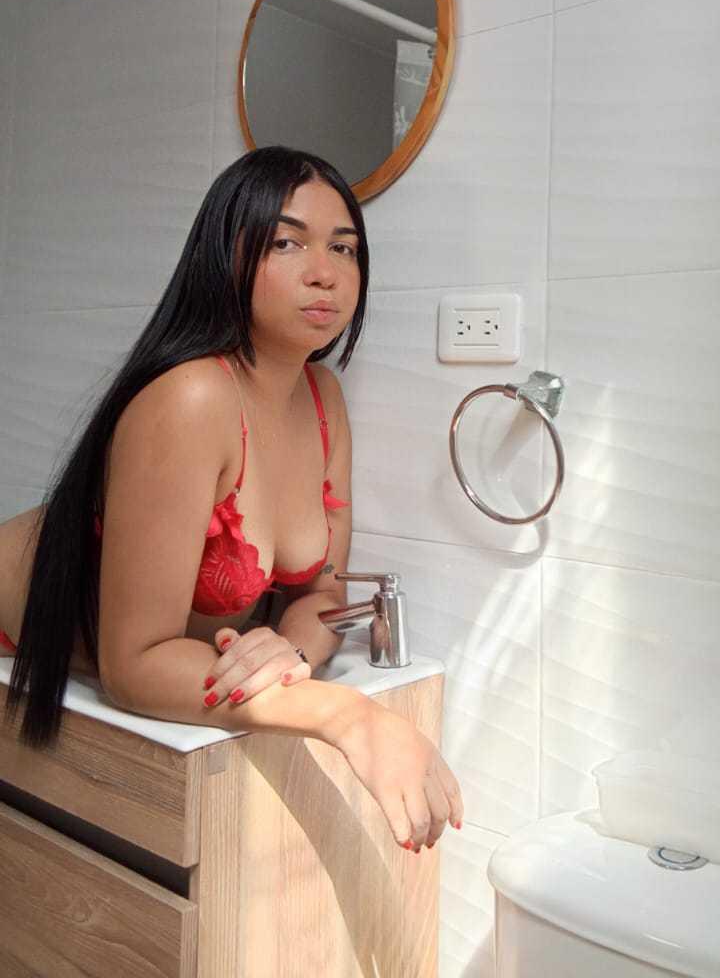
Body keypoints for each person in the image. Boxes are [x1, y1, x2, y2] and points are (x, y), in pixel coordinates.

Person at [0, 145, 463, 853]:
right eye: (286, 242)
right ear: (226, 255)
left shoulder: (322, 398)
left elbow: (324, 592)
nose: (325, 272)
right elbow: (134, 665)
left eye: (344, 248)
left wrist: (287, 654)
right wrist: (347, 717)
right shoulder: (190, 397)